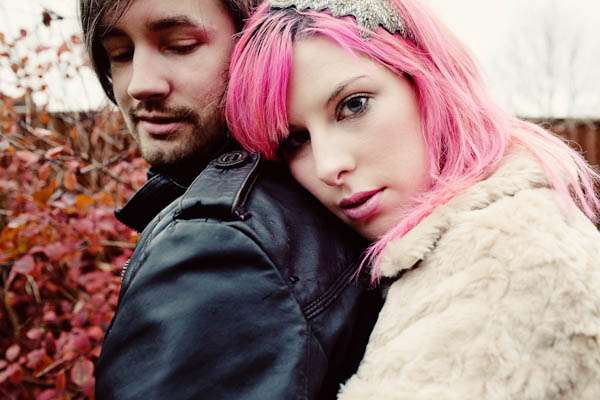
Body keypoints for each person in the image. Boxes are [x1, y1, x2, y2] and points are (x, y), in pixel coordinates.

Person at [226, 0, 600, 398]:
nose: (327, 166)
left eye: (353, 105)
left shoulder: (514, 262)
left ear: (427, 81)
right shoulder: (434, 257)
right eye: (296, 140)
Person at [79, 0, 382, 398]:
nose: (140, 84)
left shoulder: (217, 243)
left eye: (180, 45)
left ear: (254, 38)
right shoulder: (316, 195)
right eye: (120, 54)